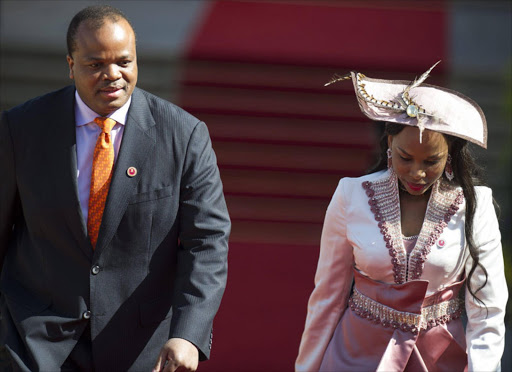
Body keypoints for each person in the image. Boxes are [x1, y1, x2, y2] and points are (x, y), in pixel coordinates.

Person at [0, 5, 230, 371]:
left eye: (124, 62)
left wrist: (188, 332)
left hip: (139, 349)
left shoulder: (184, 136)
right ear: (71, 65)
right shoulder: (20, 129)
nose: (113, 75)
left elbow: (208, 241)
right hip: (33, 342)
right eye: (95, 65)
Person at [295, 62, 508, 371]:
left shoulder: (475, 204)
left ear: (451, 155)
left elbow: (487, 311)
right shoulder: (350, 195)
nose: (417, 173)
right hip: (354, 357)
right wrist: (306, 368)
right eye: (405, 158)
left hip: (440, 360)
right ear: (389, 143)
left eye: (431, 161)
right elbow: (327, 297)